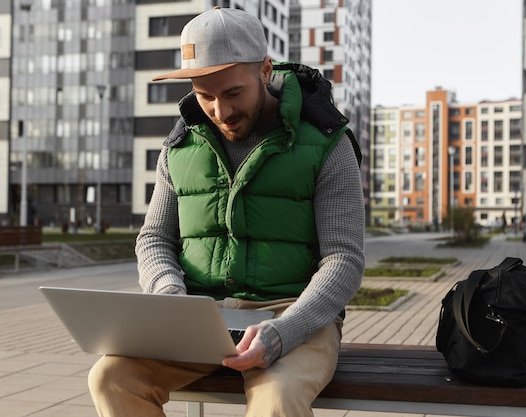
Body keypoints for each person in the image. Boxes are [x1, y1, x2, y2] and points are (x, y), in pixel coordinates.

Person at [87, 6, 365, 417]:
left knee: (278, 401)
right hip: (198, 317)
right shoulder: (179, 146)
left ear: (265, 70)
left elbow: (344, 259)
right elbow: (155, 238)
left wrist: (284, 331)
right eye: (205, 96)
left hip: (291, 313)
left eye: (233, 92)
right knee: (110, 379)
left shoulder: (327, 143)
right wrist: (168, 295)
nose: (221, 111)